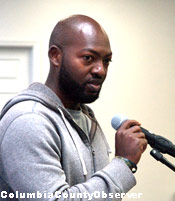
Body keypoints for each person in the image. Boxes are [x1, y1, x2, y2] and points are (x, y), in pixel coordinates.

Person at [0, 15, 147, 201]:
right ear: (55, 56)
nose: (100, 70)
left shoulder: (86, 118)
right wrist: (123, 163)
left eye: (106, 61)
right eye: (88, 58)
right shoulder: (29, 121)